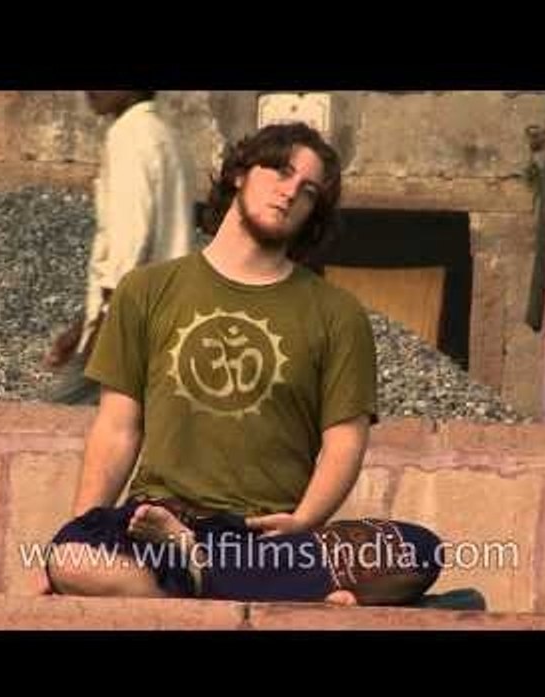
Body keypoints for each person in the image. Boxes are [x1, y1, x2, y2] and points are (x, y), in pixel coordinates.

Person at [44, 122, 443, 606]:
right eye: (280, 171)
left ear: (314, 211)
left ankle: (199, 578)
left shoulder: (337, 313)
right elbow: (116, 429)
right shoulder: (146, 290)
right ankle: (271, 592)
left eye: (308, 190)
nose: (290, 192)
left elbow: (345, 442)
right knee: (73, 556)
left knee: (416, 552)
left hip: (266, 540)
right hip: (155, 526)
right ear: (239, 173)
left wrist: (305, 521)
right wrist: (81, 533)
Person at [43, 91, 195, 405]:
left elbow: (131, 241)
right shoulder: (168, 137)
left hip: (127, 327)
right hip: (161, 320)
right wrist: (81, 328)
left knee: (59, 422)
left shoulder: (128, 136)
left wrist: (103, 334)